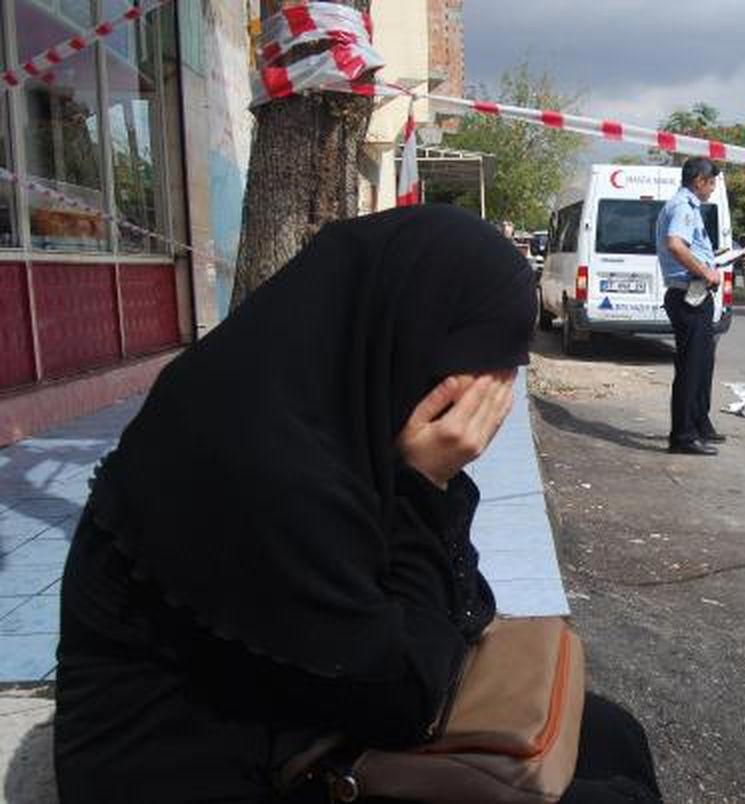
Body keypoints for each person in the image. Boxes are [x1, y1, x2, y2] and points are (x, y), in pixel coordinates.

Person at [53, 206, 663, 804]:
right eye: (478, 374)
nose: (484, 406)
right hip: (199, 764)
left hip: (290, 700)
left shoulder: (336, 401)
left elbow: (463, 612)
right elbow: (406, 699)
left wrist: (433, 485)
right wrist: (425, 485)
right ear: (414, 332)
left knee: (612, 734)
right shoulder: (260, 458)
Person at [656, 156, 724, 456]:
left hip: (693, 295)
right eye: (711, 183)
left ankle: (697, 424)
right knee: (691, 368)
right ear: (699, 181)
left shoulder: (686, 206)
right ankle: (683, 436)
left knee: (702, 363)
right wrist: (705, 271)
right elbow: (675, 244)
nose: (712, 189)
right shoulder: (683, 207)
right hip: (688, 296)